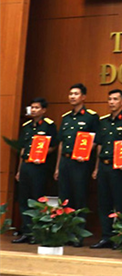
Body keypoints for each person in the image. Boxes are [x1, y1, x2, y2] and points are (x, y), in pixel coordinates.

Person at [55, 83, 99, 246]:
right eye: (70, 94)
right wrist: (58, 166)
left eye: (76, 94)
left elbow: (96, 140)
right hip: (65, 161)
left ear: (83, 97)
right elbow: (61, 143)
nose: (72, 96)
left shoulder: (91, 117)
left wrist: (85, 153)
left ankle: (78, 235)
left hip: (80, 163)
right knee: (64, 198)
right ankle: (65, 233)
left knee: (79, 197)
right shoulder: (66, 117)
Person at [91, 89, 122, 249]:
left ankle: (119, 237)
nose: (111, 102)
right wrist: (96, 168)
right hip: (104, 166)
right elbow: (99, 145)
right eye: (109, 99)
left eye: (115, 99)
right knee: (104, 203)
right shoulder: (103, 121)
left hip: (119, 168)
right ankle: (106, 236)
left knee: (119, 204)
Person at [13, 98, 56, 244]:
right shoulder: (26, 126)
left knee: (37, 199)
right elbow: (23, 149)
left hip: (39, 167)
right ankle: (26, 231)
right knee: (23, 199)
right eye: (32, 107)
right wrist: (19, 170)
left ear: (43, 110)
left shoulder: (49, 125)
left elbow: (53, 146)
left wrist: (41, 155)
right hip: (26, 165)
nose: (34, 110)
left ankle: (37, 232)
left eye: (37, 108)